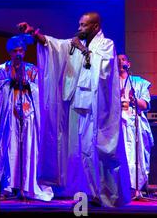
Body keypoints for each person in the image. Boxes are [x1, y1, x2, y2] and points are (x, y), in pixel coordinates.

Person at [18, 12, 131, 207]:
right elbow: (56, 46)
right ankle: (87, 193)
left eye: (84, 25)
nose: (79, 29)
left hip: (96, 111)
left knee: (96, 151)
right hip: (77, 107)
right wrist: (36, 35)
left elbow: (103, 70)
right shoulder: (77, 44)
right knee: (78, 153)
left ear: (95, 27)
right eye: (79, 25)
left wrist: (85, 51)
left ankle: (106, 194)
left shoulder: (106, 45)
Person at [0, 35, 53, 201]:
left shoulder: (32, 69)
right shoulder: (1, 69)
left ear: (24, 52)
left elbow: (41, 90)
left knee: (28, 149)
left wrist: (28, 85)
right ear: (10, 52)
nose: (18, 53)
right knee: (10, 149)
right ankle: (8, 186)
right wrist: (10, 82)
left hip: (28, 113)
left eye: (21, 50)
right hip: (9, 115)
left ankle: (27, 186)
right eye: (15, 51)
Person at [118, 54, 154, 192]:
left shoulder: (137, 82)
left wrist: (134, 99)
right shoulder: (111, 83)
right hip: (118, 124)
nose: (120, 62)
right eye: (117, 60)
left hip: (135, 123)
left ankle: (135, 188)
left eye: (123, 59)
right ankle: (121, 187)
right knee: (122, 155)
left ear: (129, 64)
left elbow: (144, 105)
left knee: (135, 155)